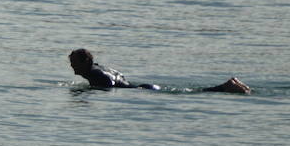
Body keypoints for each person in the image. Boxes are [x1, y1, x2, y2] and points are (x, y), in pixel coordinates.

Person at [69, 48, 251, 94]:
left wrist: (96, 90)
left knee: (196, 93)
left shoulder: (94, 73)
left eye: (74, 62)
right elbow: (119, 76)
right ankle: (229, 84)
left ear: (85, 62)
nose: (71, 66)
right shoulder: (99, 67)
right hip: (142, 87)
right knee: (195, 92)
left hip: (142, 91)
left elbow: (109, 85)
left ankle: (227, 86)